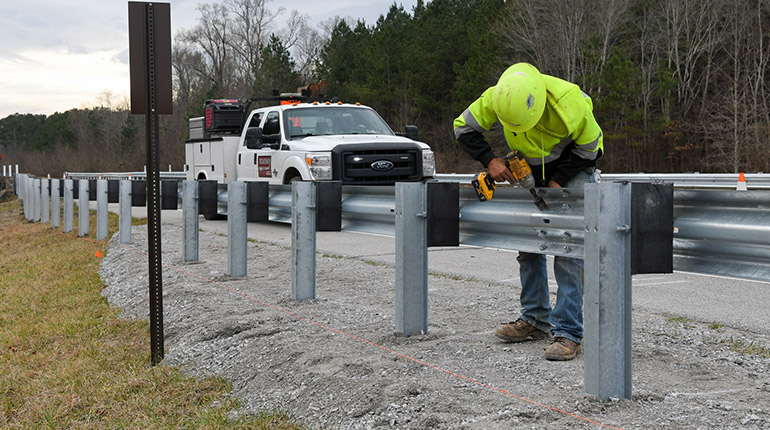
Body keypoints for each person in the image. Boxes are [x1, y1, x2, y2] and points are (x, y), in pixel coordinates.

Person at [453, 62, 603, 361]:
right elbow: (463, 127)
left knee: (568, 250)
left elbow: (591, 149)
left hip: (574, 166)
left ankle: (569, 333)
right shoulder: (500, 96)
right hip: (531, 168)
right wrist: (490, 160)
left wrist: (557, 180)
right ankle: (535, 319)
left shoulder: (568, 102)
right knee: (529, 244)